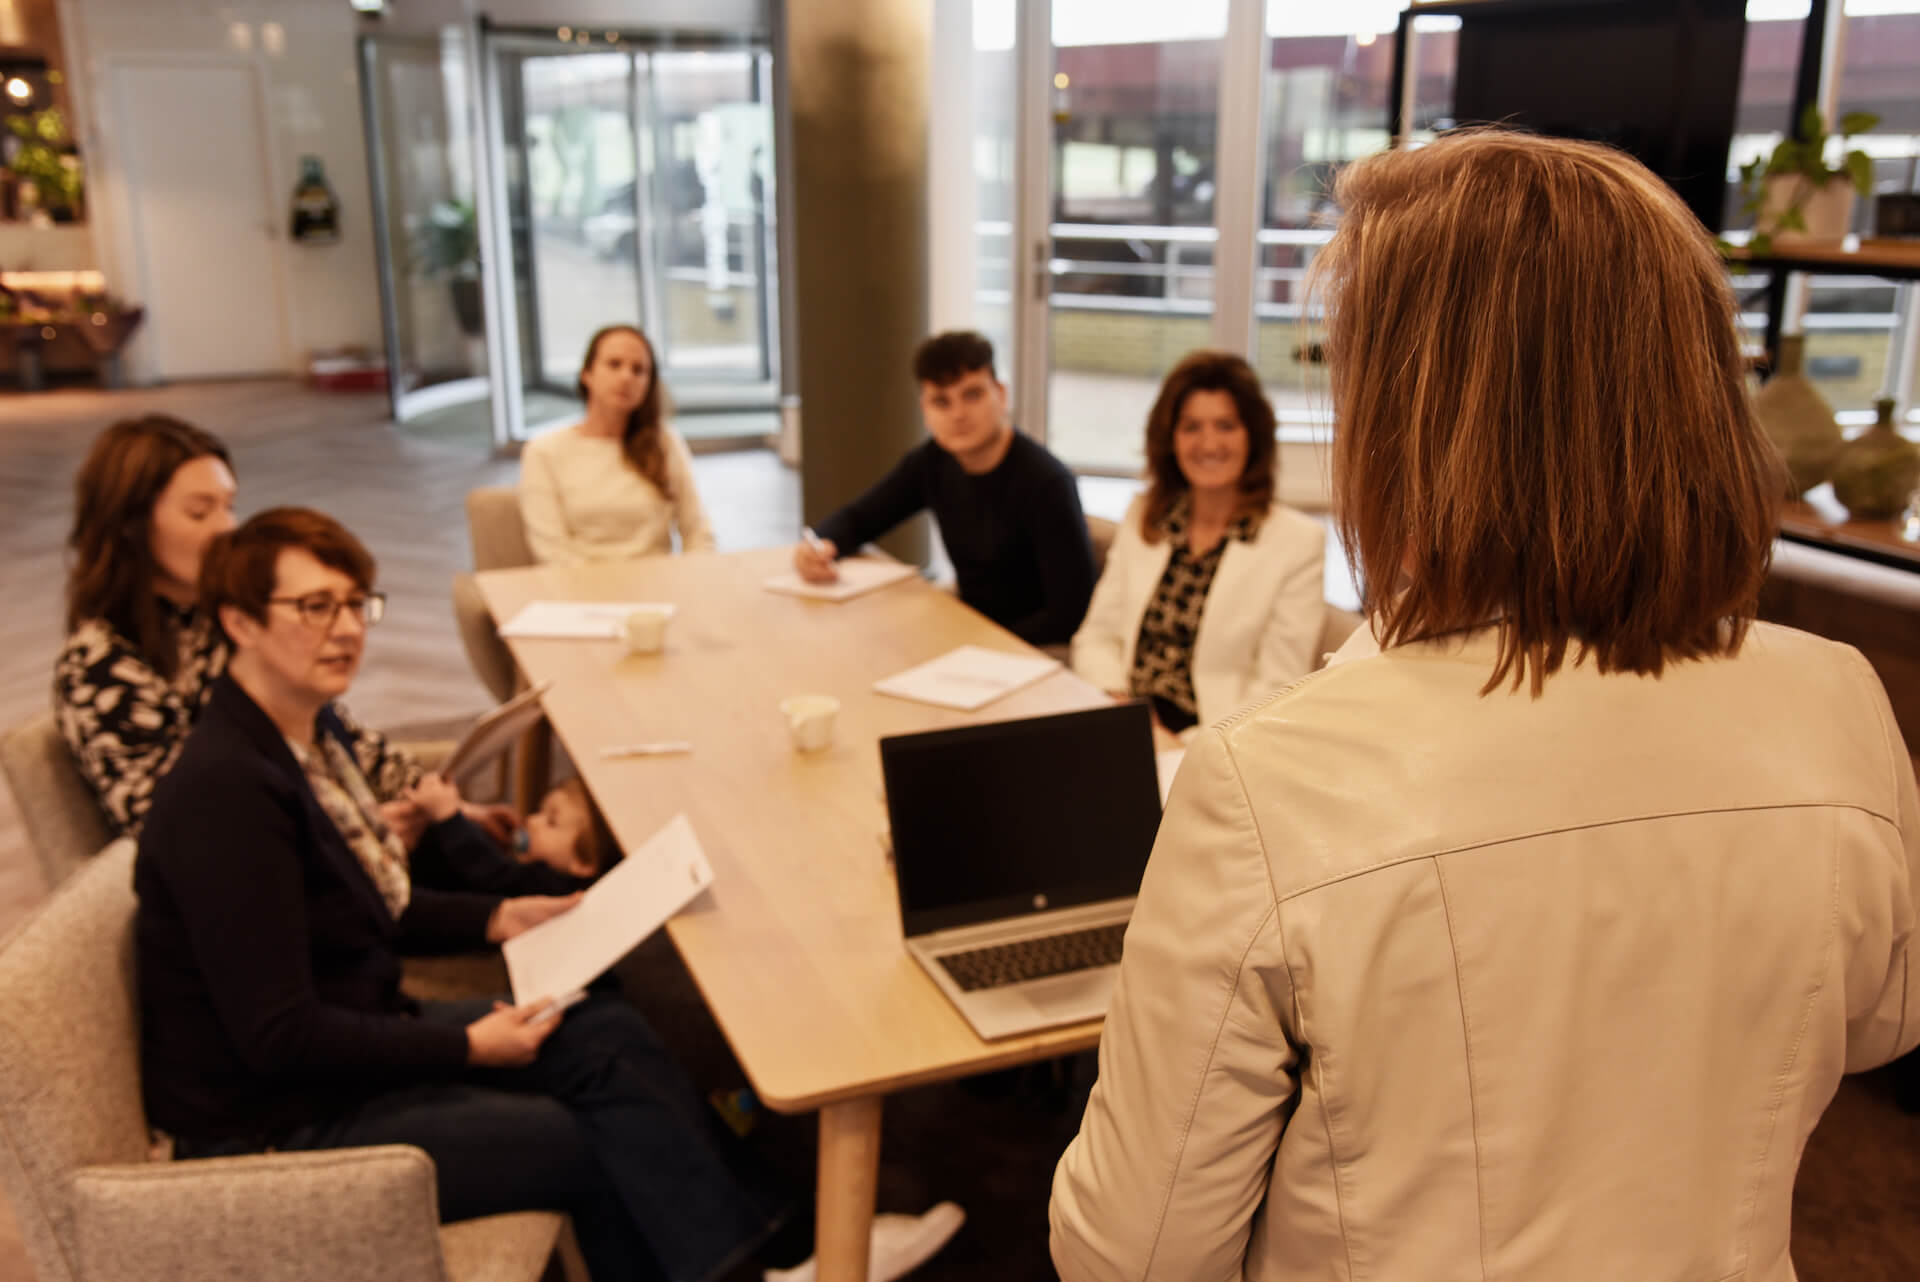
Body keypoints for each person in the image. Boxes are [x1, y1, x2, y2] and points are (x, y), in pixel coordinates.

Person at [1050, 130, 1920, 1282]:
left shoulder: (1274, 783)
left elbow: (1132, 1253)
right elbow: (1876, 1023)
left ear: (1409, 421)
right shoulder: (1836, 704)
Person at [134, 506, 784, 1282]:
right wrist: (468, 1046)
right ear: (238, 622)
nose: (346, 629)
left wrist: (502, 915)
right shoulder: (229, 794)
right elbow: (280, 1037)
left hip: (352, 1039)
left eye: (355, 603)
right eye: (315, 607)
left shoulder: (306, 733)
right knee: (581, 1134)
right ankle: (748, 1260)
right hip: (279, 1124)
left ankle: (759, 1251)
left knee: (604, 1029)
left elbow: (360, 908)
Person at [53, 415, 518, 858]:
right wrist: (348, 833)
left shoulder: (215, 618)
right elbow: (176, 831)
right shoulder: (100, 667)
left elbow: (331, 734)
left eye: (228, 506)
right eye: (200, 513)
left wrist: (450, 809)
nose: (226, 529)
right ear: (129, 526)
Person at [1069, 351, 1325, 738]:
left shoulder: (1297, 542)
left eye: (1226, 426)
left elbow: (1277, 689)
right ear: (1170, 439)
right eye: (1191, 427)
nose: (1209, 444)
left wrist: (1178, 743)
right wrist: (1121, 709)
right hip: (1122, 720)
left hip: (1215, 741)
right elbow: (1096, 637)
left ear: (1252, 436)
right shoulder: (1145, 516)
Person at [791, 330, 1095, 647]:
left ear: (1001, 394)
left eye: (973, 395)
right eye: (941, 401)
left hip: (1037, 648)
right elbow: (860, 518)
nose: (958, 414)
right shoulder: (932, 462)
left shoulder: (1047, 483)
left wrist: (977, 642)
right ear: (925, 409)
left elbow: (1069, 614)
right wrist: (819, 546)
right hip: (971, 627)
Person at [519, 324, 716, 563]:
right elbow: (551, 550)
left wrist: (697, 578)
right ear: (586, 374)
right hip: (581, 589)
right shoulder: (544, 451)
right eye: (614, 364)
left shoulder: (665, 442)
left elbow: (698, 532)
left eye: (639, 370)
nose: (626, 377)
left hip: (658, 587)